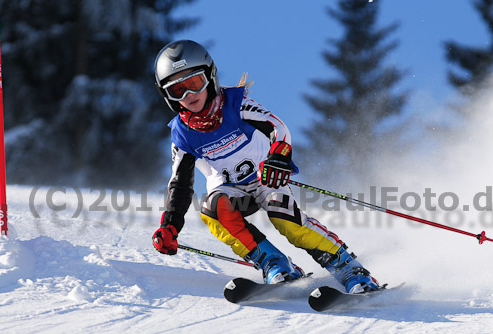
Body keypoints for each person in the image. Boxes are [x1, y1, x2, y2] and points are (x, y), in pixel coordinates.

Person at [151, 40, 380, 293]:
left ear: (210, 77)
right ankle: (274, 264)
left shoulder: (235, 105)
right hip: (231, 193)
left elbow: (277, 128)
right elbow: (180, 185)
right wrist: (170, 225)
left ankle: (349, 269)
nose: (188, 95)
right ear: (168, 97)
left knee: (285, 219)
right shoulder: (182, 135)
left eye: (194, 83)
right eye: (177, 90)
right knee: (213, 210)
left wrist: (278, 158)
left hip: (266, 179)